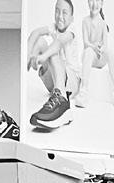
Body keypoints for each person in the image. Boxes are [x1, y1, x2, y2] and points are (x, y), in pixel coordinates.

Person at [26, 0, 82, 131]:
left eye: (64, 13)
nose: (60, 16)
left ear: (72, 18)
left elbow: (59, 42)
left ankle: (62, 102)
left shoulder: (71, 30)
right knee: (40, 41)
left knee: (52, 50)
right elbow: (35, 32)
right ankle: (56, 93)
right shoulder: (53, 27)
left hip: (72, 83)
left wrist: (43, 56)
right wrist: (30, 54)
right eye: (57, 11)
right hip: (55, 82)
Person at [79, 0, 114, 107]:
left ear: (101, 4)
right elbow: (86, 43)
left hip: (99, 58)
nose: (94, 4)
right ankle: (84, 90)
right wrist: (94, 47)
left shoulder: (103, 23)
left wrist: (101, 49)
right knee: (88, 51)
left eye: (97, 1)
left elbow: (105, 44)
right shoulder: (85, 21)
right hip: (89, 57)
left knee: (110, 53)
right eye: (92, 0)